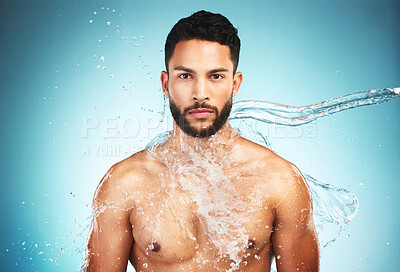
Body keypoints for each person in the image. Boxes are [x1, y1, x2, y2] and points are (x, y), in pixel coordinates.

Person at [83, 10, 320, 272]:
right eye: (185, 76)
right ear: (165, 83)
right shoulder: (124, 183)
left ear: (235, 84)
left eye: (215, 76)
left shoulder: (280, 181)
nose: (200, 93)